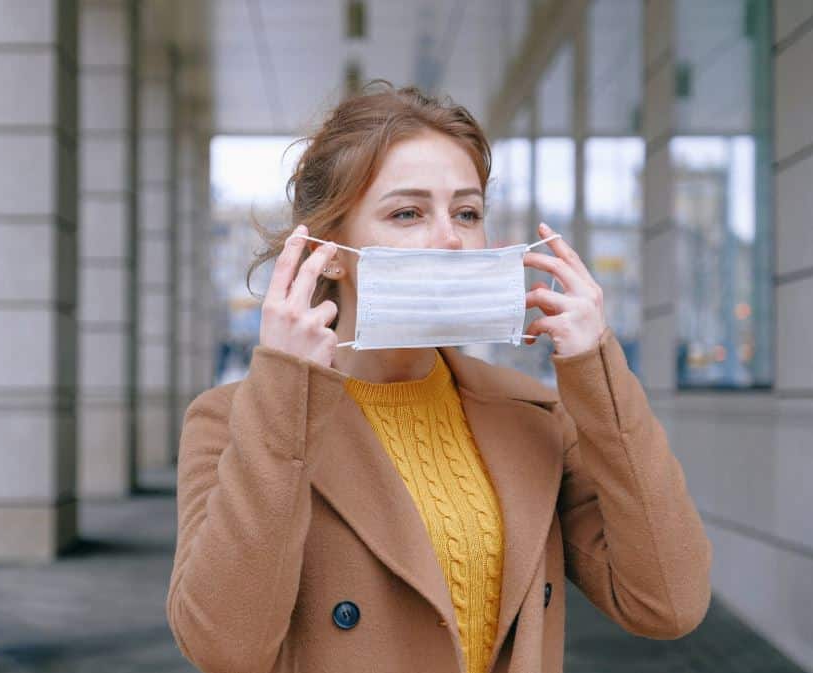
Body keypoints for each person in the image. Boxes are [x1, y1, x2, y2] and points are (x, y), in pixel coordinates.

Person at [166, 81, 712, 673]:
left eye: (467, 212)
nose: (451, 238)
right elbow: (223, 648)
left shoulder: (534, 415)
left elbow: (668, 604)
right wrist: (283, 391)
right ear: (331, 250)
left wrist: (596, 372)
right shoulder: (232, 421)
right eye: (408, 212)